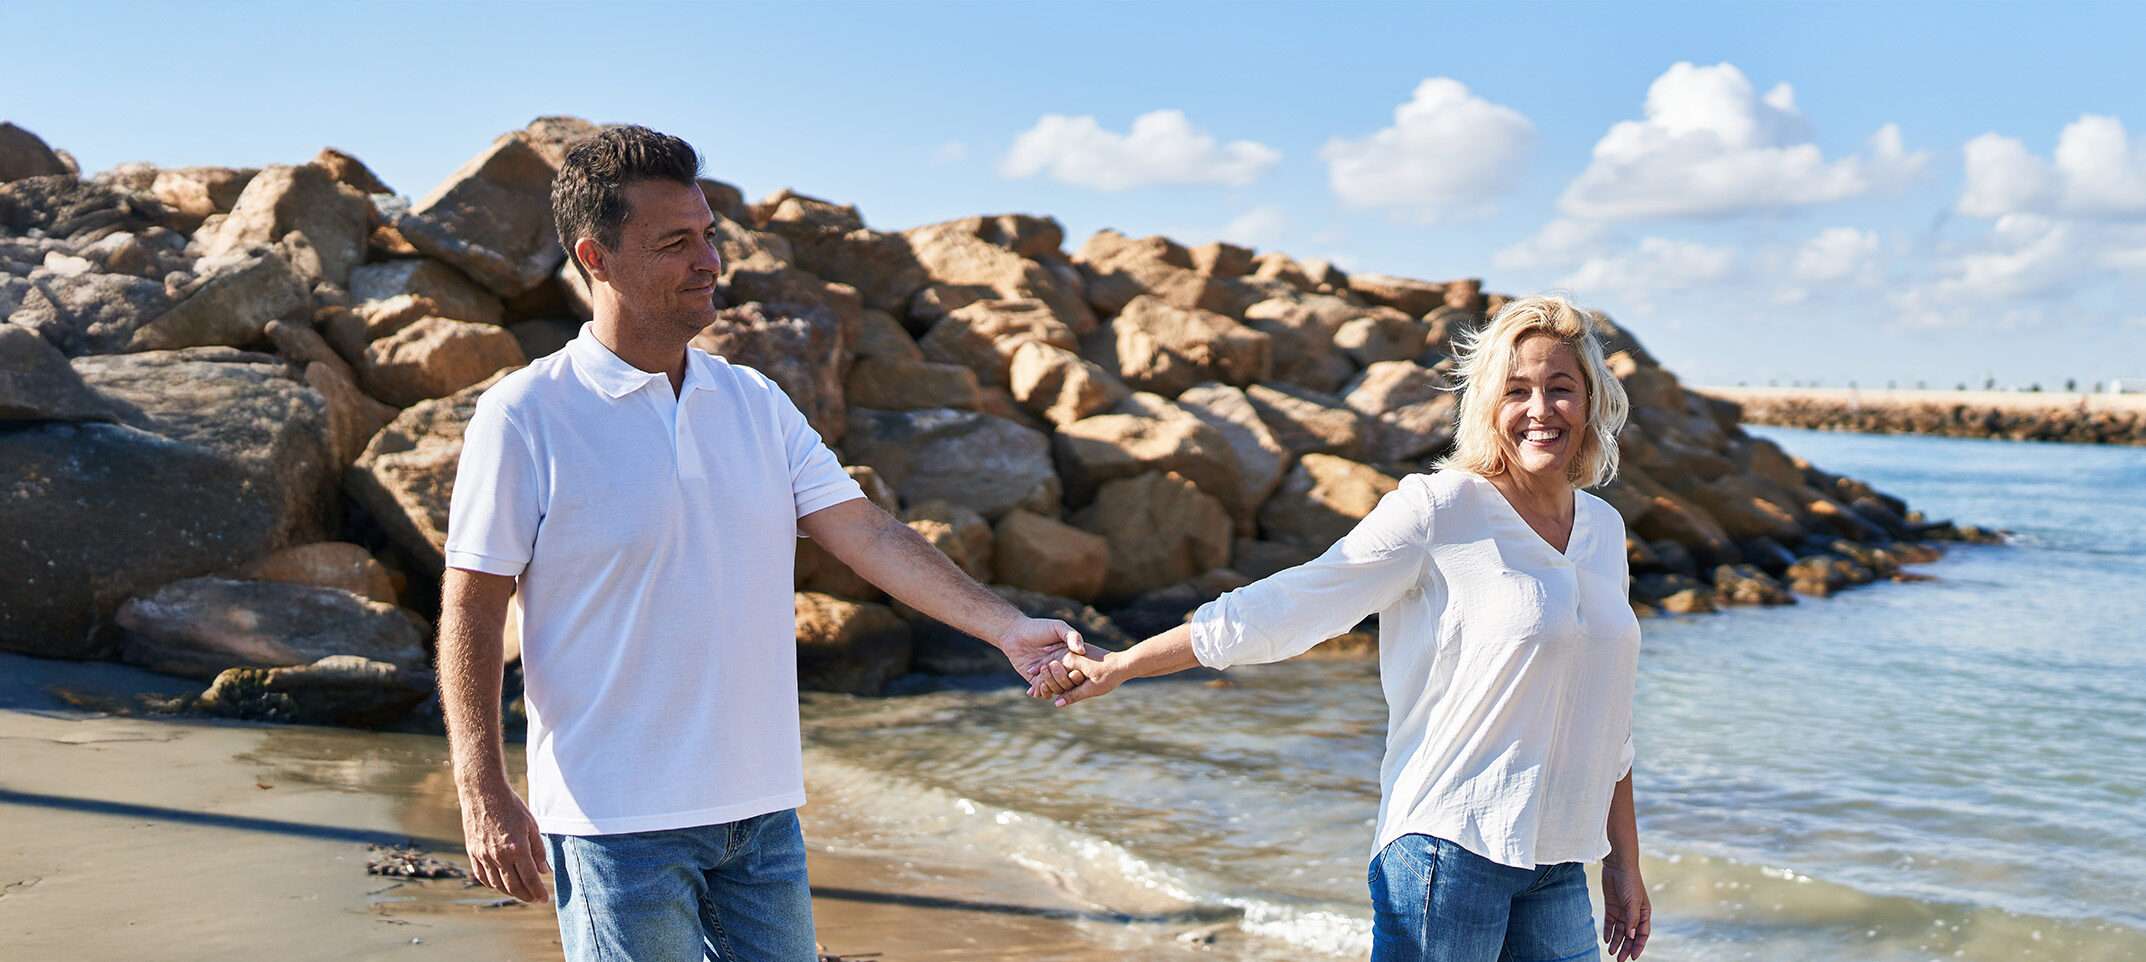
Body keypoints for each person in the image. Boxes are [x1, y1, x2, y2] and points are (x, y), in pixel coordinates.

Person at [435, 125, 1085, 962]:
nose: (709, 261)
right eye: (677, 243)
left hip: (761, 814)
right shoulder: (526, 415)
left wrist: (1005, 627)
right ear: (595, 257)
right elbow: (472, 603)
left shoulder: (754, 400)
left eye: (709, 235)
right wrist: (481, 790)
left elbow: (866, 533)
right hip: (616, 824)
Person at [1050, 295, 1653, 961]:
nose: (1540, 411)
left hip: (1560, 862)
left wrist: (1623, 861)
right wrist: (1125, 665)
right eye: (1517, 391)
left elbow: (1609, 717)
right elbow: (1295, 602)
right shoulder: (1440, 510)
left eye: (1560, 389)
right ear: (1488, 406)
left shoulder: (1602, 529)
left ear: (1592, 401)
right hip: (1449, 852)